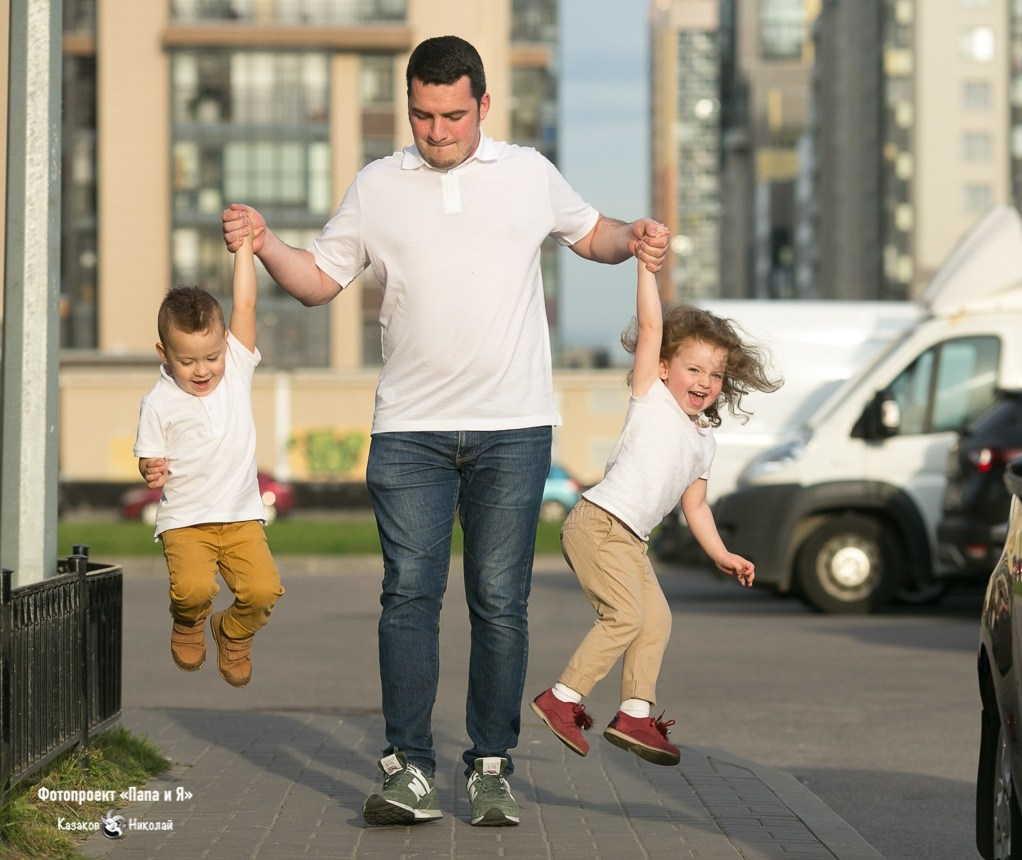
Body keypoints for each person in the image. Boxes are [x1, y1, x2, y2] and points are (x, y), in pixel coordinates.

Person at [220, 35, 669, 827]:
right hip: (411, 432)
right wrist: (265, 242)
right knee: (409, 599)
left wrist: (633, 235)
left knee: (500, 600)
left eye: (454, 115)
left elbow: (590, 232)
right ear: (409, 108)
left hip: (515, 427)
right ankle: (410, 771)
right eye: (424, 116)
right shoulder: (377, 185)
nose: (438, 131)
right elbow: (319, 282)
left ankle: (490, 765)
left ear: (484, 106)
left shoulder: (527, 172)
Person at [529, 252, 781, 767]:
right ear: (665, 368)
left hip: (629, 539)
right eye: (693, 369)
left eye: (715, 375)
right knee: (624, 617)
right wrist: (645, 266)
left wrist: (721, 554)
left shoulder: (703, 440)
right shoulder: (651, 398)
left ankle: (636, 714)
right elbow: (651, 324)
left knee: (657, 619)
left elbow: (697, 507)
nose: (705, 382)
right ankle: (562, 698)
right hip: (599, 524)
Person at [133, 217, 284, 689]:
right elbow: (148, 459)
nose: (203, 370)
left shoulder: (236, 367)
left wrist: (244, 249)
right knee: (194, 590)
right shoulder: (158, 401)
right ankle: (190, 621)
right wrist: (150, 468)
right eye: (187, 361)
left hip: (240, 516)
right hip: (186, 521)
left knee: (262, 592)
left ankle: (231, 633)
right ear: (164, 353)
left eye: (211, 357)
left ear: (225, 347)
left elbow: (245, 302)